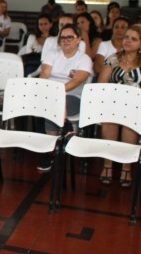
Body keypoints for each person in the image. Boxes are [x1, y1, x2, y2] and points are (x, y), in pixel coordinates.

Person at [98, 25, 141, 188]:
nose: (128, 41)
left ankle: (126, 167)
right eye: (126, 37)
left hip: (138, 102)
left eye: (133, 39)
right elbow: (102, 82)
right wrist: (114, 96)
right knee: (109, 120)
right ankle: (107, 165)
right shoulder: (113, 58)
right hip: (113, 100)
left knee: (130, 121)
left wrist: (135, 97)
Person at [38, 23, 92, 171]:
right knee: (53, 103)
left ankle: (50, 152)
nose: (66, 40)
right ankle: (65, 127)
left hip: (74, 97)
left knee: (54, 104)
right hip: (50, 94)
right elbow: (44, 74)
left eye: (70, 37)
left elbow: (76, 81)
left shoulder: (84, 59)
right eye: (63, 37)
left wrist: (56, 90)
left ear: (78, 39)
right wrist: (46, 89)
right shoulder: (52, 54)